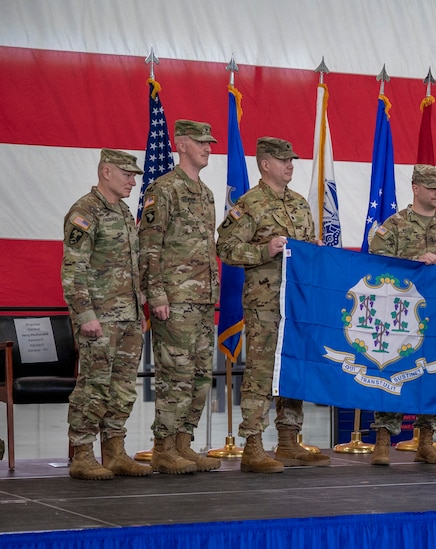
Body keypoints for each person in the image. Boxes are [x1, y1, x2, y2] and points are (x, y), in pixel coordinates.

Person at [217, 137, 330, 473]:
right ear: (265, 164)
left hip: (296, 303)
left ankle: (288, 440)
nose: (290, 165)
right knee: (261, 373)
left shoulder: (298, 203)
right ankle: (252, 444)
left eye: (292, 159)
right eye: (283, 160)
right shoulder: (249, 204)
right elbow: (224, 247)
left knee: (294, 367)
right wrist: (263, 251)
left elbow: (307, 246)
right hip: (265, 303)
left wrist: (314, 249)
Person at [368, 164, 436, 466]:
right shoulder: (394, 226)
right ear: (416, 188)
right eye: (431, 187)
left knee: (432, 373)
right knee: (392, 374)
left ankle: (426, 439)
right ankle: (384, 441)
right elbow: (376, 264)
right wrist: (413, 261)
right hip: (400, 317)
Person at [61, 149, 152, 480]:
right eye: (127, 174)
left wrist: (139, 306)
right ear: (106, 172)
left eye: (134, 176)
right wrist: (85, 315)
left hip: (127, 316)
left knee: (123, 387)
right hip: (99, 318)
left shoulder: (125, 213)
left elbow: (131, 267)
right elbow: (74, 269)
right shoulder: (84, 212)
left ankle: (114, 451)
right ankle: (83, 453)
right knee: (94, 386)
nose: (132, 181)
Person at [139, 120, 222, 474]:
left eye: (210, 142)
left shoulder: (206, 193)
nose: (208, 147)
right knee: (176, 375)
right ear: (182, 144)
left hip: (203, 300)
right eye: (201, 142)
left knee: (202, 376)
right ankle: (163, 447)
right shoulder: (165, 189)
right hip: (174, 300)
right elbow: (149, 246)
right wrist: (156, 294)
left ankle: (183, 443)